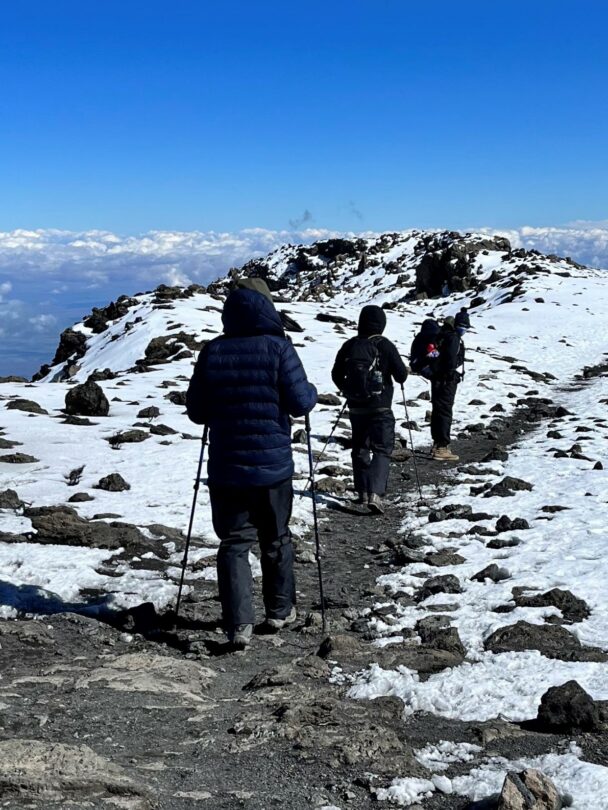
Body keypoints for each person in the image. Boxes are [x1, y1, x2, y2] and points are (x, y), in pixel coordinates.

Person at [186, 282, 317, 649]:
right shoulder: (279, 348)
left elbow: (197, 412)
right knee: (275, 536)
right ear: (267, 308)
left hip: (227, 468)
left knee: (234, 543)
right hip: (272, 467)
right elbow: (300, 403)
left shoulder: (212, 351)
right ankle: (279, 611)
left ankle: (238, 625)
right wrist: (312, 393)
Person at [331, 305, 408, 514]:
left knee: (360, 448)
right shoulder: (385, 345)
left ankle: (362, 492)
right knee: (382, 449)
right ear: (381, 324)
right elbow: (401, 375)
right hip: (381, 407)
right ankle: (375, 493)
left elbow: (336, 374)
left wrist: (348, 390)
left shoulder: (350, 345)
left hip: (356, 408)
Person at [429, 316, 464, 462]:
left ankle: (438, 444)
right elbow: (450, 359)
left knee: (438, 410)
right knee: (445, 411)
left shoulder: (440, 337)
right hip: (447, 380)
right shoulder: (453, 338)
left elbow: (434, 355)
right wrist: (451, 372)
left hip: (437, 378)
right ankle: (442, 447)